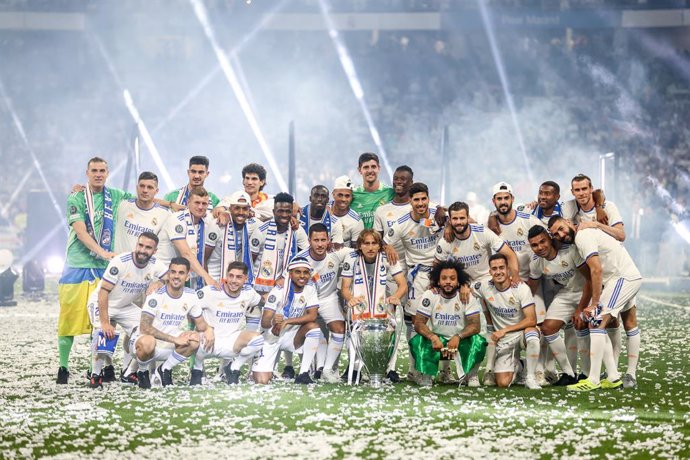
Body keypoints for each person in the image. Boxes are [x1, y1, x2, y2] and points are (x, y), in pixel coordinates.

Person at [57, 157, 133, 384]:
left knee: (103, 321)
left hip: (104, 269)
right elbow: (80, 232)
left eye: (102, 170)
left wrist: (169, 205)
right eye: (94, 171)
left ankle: (99, 368)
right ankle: (63, 367)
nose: (98, 174)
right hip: (77, 265)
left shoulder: (116, 196)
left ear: (108, 172)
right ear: (87, 173)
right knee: (68, 319)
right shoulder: (77, 197)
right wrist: (102, 252)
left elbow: (144, 201)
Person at [548, 216, 642, 391]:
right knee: (596, 323)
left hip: (622, 278)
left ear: (568, 221)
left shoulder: (583, 236)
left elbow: (596, 269)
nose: (560, 235)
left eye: (560, 228)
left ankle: (593, 379)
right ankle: (613, 377)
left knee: (596, 321)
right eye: (555, 234)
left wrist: (595, 303)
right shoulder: (581, 237)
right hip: (620, 278)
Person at [434, 201, 519, 386]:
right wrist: (455, 284)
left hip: (488, 281)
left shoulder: (482, 232)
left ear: (468, 217)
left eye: (461, 218)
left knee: (490, 323)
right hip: (461, 285)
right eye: (454, 219)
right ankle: (447, 370)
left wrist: (515, 278)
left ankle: (490, 369)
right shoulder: (446, 241)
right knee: (449, 321)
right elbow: (437, 266)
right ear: (450, 220)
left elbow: (510, 254)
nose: (458, 222)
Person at [86, 232, 168, 387]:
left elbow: (169, 277)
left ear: (154, 251)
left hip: (124, 306)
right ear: (136, 244)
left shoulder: (155, 264)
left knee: (148, 329)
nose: (143, 250)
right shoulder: (120, 262)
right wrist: (104, 322)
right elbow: (103, 292)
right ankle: (95, 375)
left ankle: (129, 372)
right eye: (140, 245)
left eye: (148, 248)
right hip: (101, 302)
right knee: (103, 333)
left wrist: (158, 284)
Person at [384, 182, 444, 382]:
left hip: (442, 275)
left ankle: (444, 369)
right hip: (418, 277)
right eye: (416, 199)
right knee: (415, 324)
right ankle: (414, 368)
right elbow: (384, 241)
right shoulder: (401, 223)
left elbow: (464, 220)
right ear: (410, 201)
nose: (420, 203)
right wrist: (388, 247)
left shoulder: (439, 214)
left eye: (423, 199)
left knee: (443, 323)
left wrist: (449, 224)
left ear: (428, 198)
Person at [133, 257, 213, 388]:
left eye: (181, 273)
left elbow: (201, 325)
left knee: (194, 339)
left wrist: (209, 329)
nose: (176, 276)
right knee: (148, 342)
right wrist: (174, 339)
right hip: (147, 345)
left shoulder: (191, 296)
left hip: (171, 347)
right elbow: (144, 328)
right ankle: (142, 372)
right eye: (173, 272)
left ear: (187, 277)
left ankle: (165, 369)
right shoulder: (156, 295)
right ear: (168, 274)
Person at [340, 229, 407, 382]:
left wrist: (395, 297)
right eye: (366, 243)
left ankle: (389, 368)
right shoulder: (351, 258)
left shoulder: (388, 257)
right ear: (360, 246)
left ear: (379, 246)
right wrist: (350, 298)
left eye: (374, 243)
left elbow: (402, 285)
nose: (370, 247)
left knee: (391, 326)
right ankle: (354, 367)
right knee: (354, 329)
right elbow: (345, 288)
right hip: (360, 304)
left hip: (381, 304)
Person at [411, 260, 485, 387]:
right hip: (438, 341)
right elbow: (418, 323)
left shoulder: (467, 296)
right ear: (438, 281)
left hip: (459, 341)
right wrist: (432, 337)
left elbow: (475, 325)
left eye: (452, 278)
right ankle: (426, 374)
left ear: (458, 281)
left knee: (478, 341)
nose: (448, 282)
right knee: (417, 341)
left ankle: (471, 374)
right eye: (444, 278)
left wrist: (458, 336)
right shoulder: (430, 294)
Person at [291, 223, 350, 382]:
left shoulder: (336, 253)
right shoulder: (300, 258)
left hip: (328, 298)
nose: (320, 244)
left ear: (328, 240)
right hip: (307, 300)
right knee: (305, 330)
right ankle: (308, 366)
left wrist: (386, 248)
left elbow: (360, 251)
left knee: (339, 328)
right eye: (316, 240)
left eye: (323, 240)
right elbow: (288, 280)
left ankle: (328, 369)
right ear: (309, 240)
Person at [191, 261, 265, 385]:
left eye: (239, 277)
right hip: (209, 341)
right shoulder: (211, 291)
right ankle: (197, 370)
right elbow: (190, 305)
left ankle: (233, 368)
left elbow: (262, 301)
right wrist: (206, 328)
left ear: (245, 279)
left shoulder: (249, 293)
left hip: (232, 342)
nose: (234, 280)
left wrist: (281, 293)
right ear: (226, 275)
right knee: (192, 339)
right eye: (231, 276)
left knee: (258, 340)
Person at [526, 226, 583, 386]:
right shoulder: (537, 263)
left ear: (550, 238)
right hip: (566, 293)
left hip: (586, 292)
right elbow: (531, 287)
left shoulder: (570, 250)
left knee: (594, 329)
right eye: (534, 245)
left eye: (542, 241)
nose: (540, 247)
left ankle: (595, 374)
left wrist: (581, 309)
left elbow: (590, 278)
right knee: (548, 328)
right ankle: (569, 374)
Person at [475, 254, 541, 390]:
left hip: (521, 334)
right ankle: (520, 365)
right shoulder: (484, 286)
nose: (498, 272)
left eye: (501, 268)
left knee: (532, 334)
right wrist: (463, 288)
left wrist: (505, 329)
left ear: (508, 270)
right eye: (494, 269)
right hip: (504, 340)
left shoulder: (521, 288)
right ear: (490, 272)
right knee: (503, 383)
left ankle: (531, 378)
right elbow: (464, 288)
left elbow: (532, 319)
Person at [252, 258, 322, 384]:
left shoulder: (310, 289)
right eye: (298, 272)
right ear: (290, 274)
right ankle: (262, 367)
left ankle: (303, 374)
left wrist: (287, 321)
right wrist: (273, 321)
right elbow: (264, 322)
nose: (302, 276)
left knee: (314, 327)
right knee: (261, 380)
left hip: (291, 336)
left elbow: (312, 316)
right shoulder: (277, 291)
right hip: (271, 337)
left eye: (306, 272)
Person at [156, 187, 219, 290]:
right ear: (188, 202)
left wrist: (223, 211)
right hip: (162, 277)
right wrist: (208, 278)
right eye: (197, 202)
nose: (200, 207)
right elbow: (186, 254)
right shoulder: (177, 219)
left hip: (183, 278)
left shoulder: (206, 220)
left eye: (204, 204)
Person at [250, 192, 309, 295]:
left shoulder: (297, 231)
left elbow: (306, 257)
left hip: (284, 287)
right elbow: (250, 263)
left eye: (288, 211)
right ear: (273, 212)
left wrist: (286, 277)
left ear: (292, 212)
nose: (284, 215)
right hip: (258, 289)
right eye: (280, 211)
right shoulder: (261, 232)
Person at [206, 191, 259, 287]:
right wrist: (207, 281)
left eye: (245, 209)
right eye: (237, 208)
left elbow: (273, 219)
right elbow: (203, 257)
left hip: (234, 283)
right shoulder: (218, 225)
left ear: (249, 211)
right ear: (230, 209)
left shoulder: (252, 225)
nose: (241, 212)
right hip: (213, 280)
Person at [114, 172, 170, 254]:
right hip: (119, 264)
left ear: (156, 191)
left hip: (144, 265)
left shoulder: (165, 215)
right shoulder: (122, 205)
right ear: (137, 187)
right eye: (142, 186)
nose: (145, 190)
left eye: (150, 187)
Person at [351, 153, 395, 229]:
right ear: (359, 170)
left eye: (373, 167)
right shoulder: (352, 195)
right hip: (359, 240)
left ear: (379, 168)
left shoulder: (390, 193)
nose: (370, 170)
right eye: (366, 167)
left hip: (384, 240)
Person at [330, 176, 364, 249]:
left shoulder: (356, 221)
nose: (343, 199)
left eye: (347, 196)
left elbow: (355, 251)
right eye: (340, 195)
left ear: (351, 197)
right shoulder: (322, 207)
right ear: (333, 194)